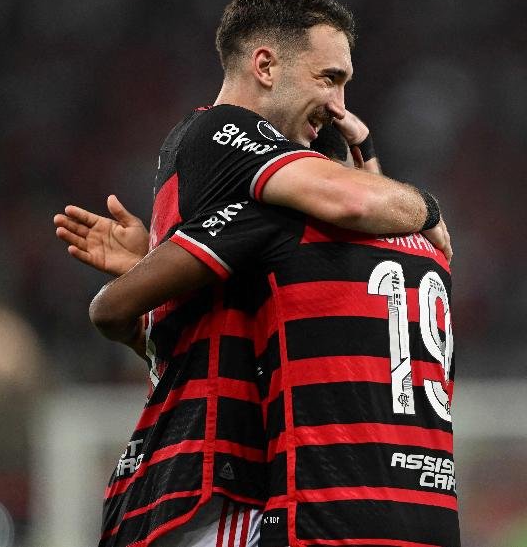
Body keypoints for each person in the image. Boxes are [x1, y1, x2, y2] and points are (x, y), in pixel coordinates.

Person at [54, 0, 451, 547]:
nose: (339, 106)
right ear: (265, 67)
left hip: (216, 478)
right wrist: (428, 209)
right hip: (211, 482)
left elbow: (210, 308)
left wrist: (152, 271)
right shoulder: (225, 130)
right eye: (329, 78)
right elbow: (355, 200)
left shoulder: (244, 193)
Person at [87, 125, 460, 546]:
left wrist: (154, 270)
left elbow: (109, 308)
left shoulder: (282, 226)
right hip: (435, 515)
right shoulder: (434, 252)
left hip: (329, 515)